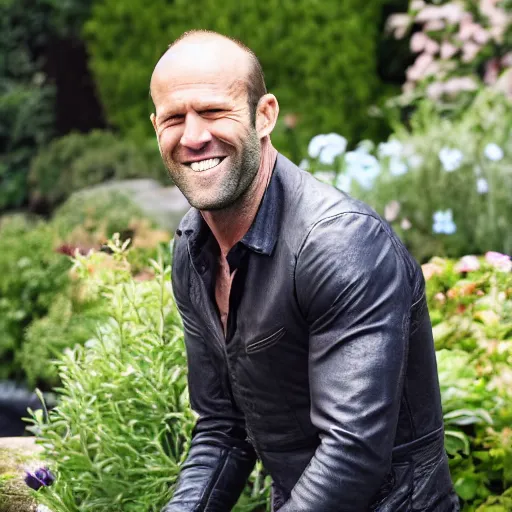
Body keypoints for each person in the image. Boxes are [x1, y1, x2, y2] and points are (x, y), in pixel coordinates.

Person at [150, 30, 459, 512]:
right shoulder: (194, 250)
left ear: (264, 115)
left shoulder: (340, 242)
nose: (193, 136)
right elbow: (223, 430)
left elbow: (352, 452)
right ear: (155, 128)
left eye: (213, 112)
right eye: (173, 118)